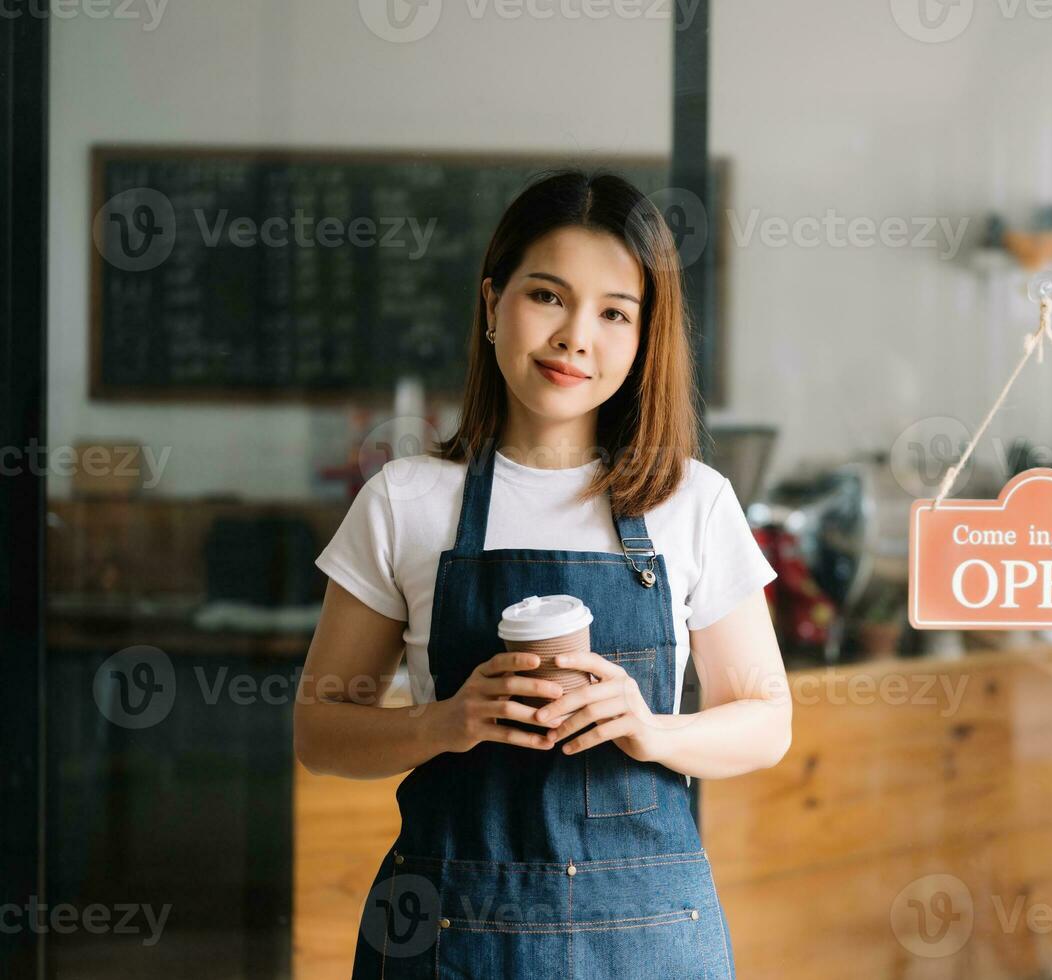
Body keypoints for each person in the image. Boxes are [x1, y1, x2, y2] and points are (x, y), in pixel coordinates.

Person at [294, 169, 791, 979]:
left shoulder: (693, 501)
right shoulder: (406, 499)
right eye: (548, 297)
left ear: (643, 338)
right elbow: (320, 729)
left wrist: (650, 730)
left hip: (646, 932)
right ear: (492, 303)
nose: (575, 337)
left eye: (614, 313)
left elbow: (767, 720)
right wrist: (441, 725)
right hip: (447, 931)